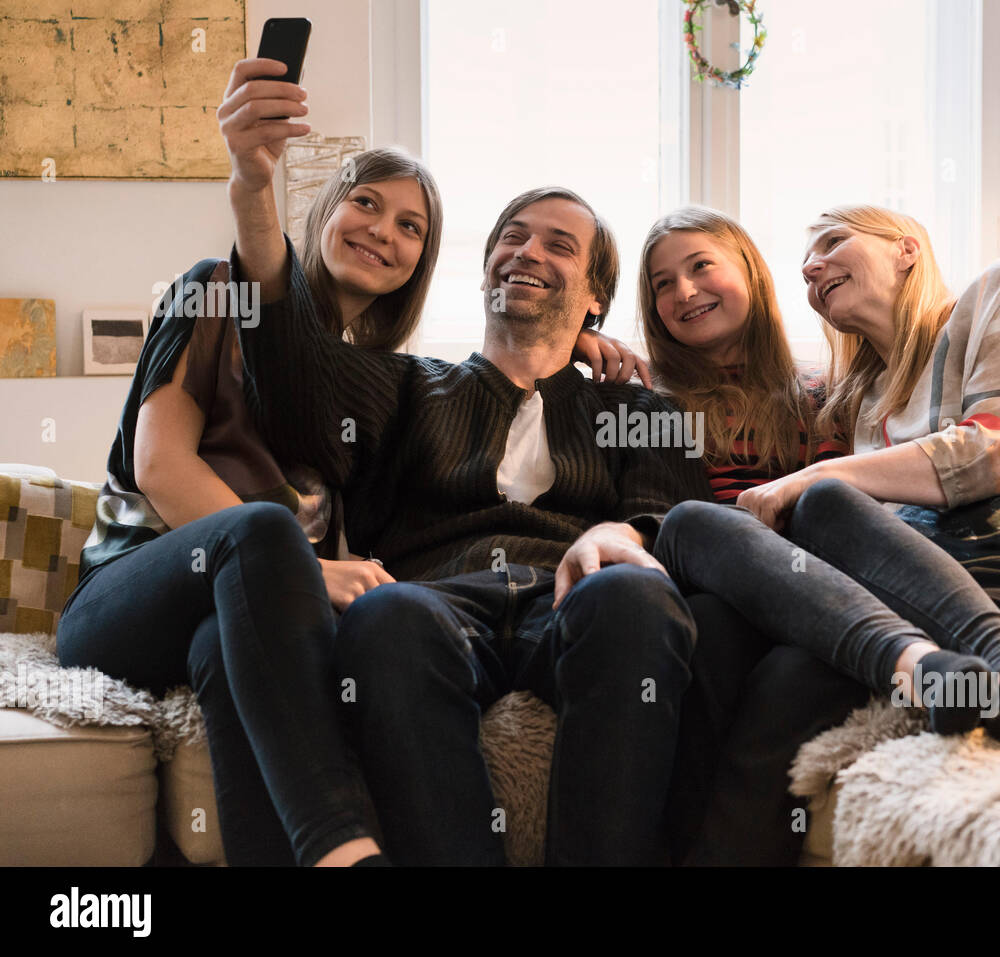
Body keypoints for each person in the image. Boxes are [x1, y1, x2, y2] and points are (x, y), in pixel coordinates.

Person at [58, 57, 644, 867]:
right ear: (325, 212)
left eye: (412, 227)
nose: (383, 230)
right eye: (366, 203)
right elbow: (161, 466)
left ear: (423, 264)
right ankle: (342, 851)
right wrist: (304, 568)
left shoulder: (375, 383)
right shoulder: (216, 293)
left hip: (235, 614)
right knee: (260, 535)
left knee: (221, 650)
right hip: (128, 593)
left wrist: (570, 333)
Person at [226, 146, 718, 862]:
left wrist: (621, 535)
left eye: (559, 245)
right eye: (512, 237)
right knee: (386, 614)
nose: (527, 251)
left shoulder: (636, 407)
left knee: (639, 599)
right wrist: (253, 186)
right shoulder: (402, 385)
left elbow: (671, 520)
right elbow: (286, 361)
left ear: (595, 297)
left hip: (573, 598)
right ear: (486, 266)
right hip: (435, 602)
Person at [641, 205, 1000, 864]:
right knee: (782, 675)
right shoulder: (864, 399)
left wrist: (821, 478)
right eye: (806, 263)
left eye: (833, 242)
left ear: (906, 248)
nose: (811, 266)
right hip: (922, 603)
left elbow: (994, 451)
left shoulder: (999, 294)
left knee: (824, 499)